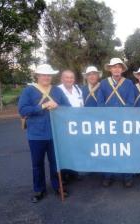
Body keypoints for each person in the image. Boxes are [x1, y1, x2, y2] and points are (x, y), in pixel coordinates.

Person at [18, 64, 70, 203]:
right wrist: (43, 106)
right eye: (43, 75)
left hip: (55, 133)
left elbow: (68, 107)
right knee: (37, 164)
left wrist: (58, 106)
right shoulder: (29, 91)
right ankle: (39, 189)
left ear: (51, 76)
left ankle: (58, 186)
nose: (46, 77)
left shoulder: (57, 91)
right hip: (36, 135)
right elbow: (23, 110)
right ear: (37, 76)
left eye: (48, 75)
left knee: (55, 162)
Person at [97, 58, 135, 188]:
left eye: (119, 67)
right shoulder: (103, 83)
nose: (116, 69)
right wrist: (107, 115)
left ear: (122, 69)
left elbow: (131, 102)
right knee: (109, 149)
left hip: (124, 122)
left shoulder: (129, 83)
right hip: (109, 123)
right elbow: (100, 103)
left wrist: (121, 115)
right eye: (114, 67)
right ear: (110, 69)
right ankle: (108, 175)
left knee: (125, 150)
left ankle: (127, 176)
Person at [58, 69, 84, 183]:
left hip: (76, 125)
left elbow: (82, 105)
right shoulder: (57, 90)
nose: (69, 80)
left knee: (75, 149)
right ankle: (64, 175)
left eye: (71, 77)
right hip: (63, 125)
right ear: (62, 79)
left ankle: (74, 172)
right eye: (66, 77)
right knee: (64, 150)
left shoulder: (78, 89)